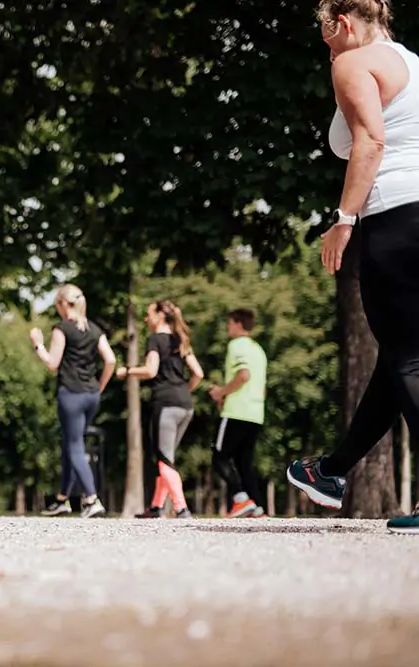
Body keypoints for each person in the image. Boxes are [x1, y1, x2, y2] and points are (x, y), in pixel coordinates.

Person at [287, 0, 419, 533]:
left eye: (326, 36)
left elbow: (370, 140)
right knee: (399, 357)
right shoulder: (412, 61)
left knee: (409, 359)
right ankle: (331, 471)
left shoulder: (352, 62)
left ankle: (331, 470)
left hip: (396, 218)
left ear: (342, 23)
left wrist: (344, 219)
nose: (328, 49)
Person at [31, 285, 116, 518]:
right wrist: (100, 387)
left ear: (62, 304)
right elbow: (110, 360)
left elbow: (52, 363)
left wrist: (38, 344)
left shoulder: (62, 329)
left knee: (74, 446)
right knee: (72, 442)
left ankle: (91, 499)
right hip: (91, 396)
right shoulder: (94, 329)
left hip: (71, 395)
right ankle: (62, 499)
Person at [117, 300, 204, 519]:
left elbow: (151, 370)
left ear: (159, 316)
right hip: (185, 406)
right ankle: (156, 507)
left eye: (149, 314)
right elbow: (199, 373)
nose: (146, 319)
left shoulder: (155, 339)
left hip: (165, 404)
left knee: (165, 460)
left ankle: (181, 508)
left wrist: (127, 371)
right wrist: (185, 391)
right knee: (167, 457)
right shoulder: (181, 340)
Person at [209, 309, 268, 518]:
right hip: (256, 413)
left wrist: (220, 393)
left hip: (236, 411)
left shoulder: (237, 346)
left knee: (219, 457)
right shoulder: (259, 350)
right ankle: (258, 508)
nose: (228, 327)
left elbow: (243, 375)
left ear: (239, 325)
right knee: (244, 464)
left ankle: (241, 498)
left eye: (230, 323)